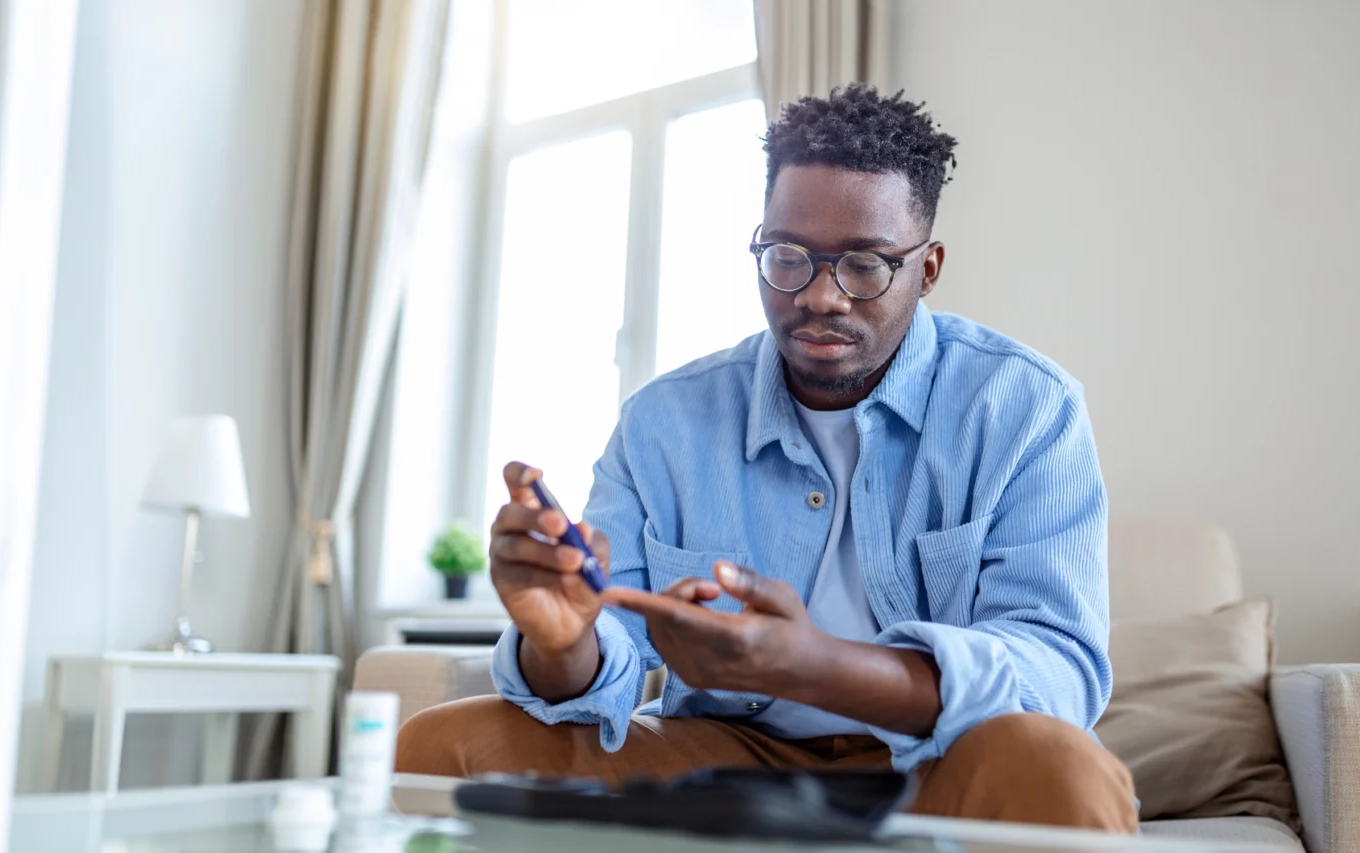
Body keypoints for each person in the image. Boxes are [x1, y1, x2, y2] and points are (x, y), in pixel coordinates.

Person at [396, 85, 1137, 832]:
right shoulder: (665, 422)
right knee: (442, 744)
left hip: (934, 763)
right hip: (721, 758)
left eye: (865, 265)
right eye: (789, 256)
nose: (821, 296)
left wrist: (817, 666)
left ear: (930, 266)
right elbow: (603, 659)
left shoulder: (1024, 407)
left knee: (1061, 769)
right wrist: (564, 641)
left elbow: (1056, 671)